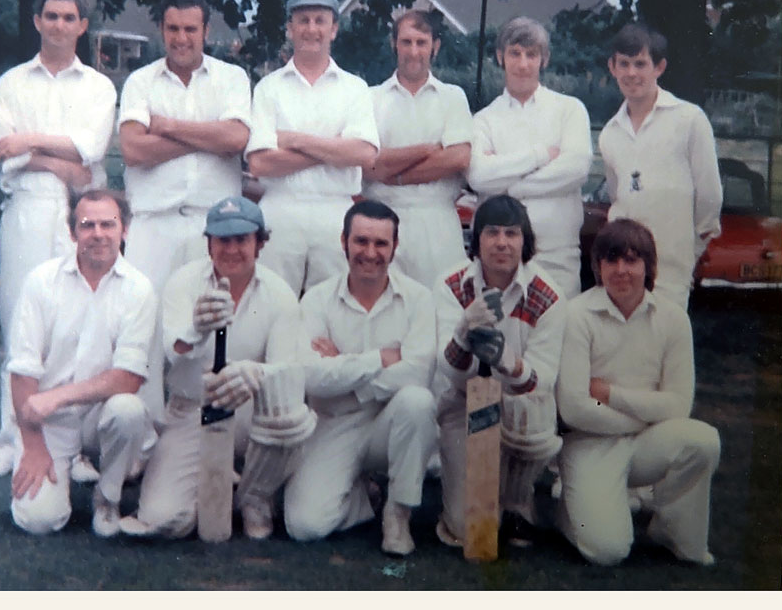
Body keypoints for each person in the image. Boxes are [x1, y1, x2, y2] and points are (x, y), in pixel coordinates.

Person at [0, 0, 118, 479]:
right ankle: (10, 442)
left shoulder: (98, 88)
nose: (59, 25)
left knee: (79, 325)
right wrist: (54, 159)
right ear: (36, 21)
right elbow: (1, 152)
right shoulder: (11, 84)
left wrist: (29, 144)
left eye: (69, 17)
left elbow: (91, 150)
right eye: (51, 16)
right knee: (20, 323)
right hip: (28, 212)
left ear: (82, 25)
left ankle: (73, 449)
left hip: (81, 214)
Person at [118, 196, 315, 540]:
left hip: (251, 412)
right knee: (167, 520)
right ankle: (213, 479)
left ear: (260, 243)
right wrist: (197, 327)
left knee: (291, 416)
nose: (232, 249)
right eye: (223, 240)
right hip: (193, 409)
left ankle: (255, 495)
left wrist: (255, 374)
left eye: (242, 240)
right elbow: (172, 352)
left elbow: (287, 372)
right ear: (209, 243)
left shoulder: (280, 294)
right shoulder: (183, 282)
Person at [556, 218, 720, 565]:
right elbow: (573, 409)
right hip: (590, 443)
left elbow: (679, 406)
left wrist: (609, 393)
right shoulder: (576, 315)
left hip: (649, 442)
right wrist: (646, 415)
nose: (621, 270)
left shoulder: (673, 319)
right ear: (598, 266)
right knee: (607, 551)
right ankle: (571, 514)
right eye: (611, 260)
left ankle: (673, 529)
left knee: (702, 440)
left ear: (648, 266)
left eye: (631, 260)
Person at [283, 200, 437, 556]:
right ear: (344, 241)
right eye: (361, 241)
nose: (370, 252)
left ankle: (397, 512)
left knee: (417, 401)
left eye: (381, 243)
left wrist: (344, 367)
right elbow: (310, 377)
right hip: (333, 423)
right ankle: (361, 498)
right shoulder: (317, 300)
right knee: (304, 526)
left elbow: (418, 372)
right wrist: (379, 359)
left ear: (395, 247)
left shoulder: (418, 298)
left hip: (390, 421)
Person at [7, 190, 157, 537]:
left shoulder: (139, 289)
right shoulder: (41, 282)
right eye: (87, 225)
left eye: (108, 224)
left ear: (125, 229)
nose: (99, 234)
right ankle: (58, 471)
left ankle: (108, 497)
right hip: (48, 422)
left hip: (98, 415)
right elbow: (23, 369)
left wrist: (58, 396)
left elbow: (129, 378)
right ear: (72, 232)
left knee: (128, 409)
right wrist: (33, 446)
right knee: (39, 520)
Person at [434, 194, 565, 548]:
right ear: (476, 240)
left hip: (520, 408)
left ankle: (517, 501)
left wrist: (509, 361)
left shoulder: (548, 294)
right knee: (470, 532)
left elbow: (544, 378)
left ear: (526, 241)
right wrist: (464, 332)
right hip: (465, 405)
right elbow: (448, 370)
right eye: (491, 232)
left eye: (512, 233)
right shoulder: (450, 284)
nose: (502, 242)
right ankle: (485, 503)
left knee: (533, 411)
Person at [246, 0, 380, 295]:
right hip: (280, 210)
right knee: (273, 302)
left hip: (336, 213)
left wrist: (293, 140)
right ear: (290, 29)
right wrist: (334, 149)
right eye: (303, 20)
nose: (311, 29)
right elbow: (260, 162)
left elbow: (364, 153)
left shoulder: (355, 88)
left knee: (334, 306)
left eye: (320, 21)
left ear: (333, 29)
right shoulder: (269, 88)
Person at [117, 0, 252, 290]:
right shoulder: (140, 82)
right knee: (148, 328)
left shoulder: (232, 78)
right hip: (153, 225)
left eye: (190, 29)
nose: (181, 38)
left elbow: (236, 138)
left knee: (210, 325)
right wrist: (208, 137)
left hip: (213, 226)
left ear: (206, 31)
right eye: (173, 28)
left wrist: (168, 126)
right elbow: (133, 150)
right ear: (162, 30)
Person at [598, 23, 723, 310]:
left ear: (659, 67)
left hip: (670, 273)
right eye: (624, 64)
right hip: (623, 275)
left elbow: (710, 198)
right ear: (612, 67)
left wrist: (687, 253)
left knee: (665, 350)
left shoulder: (689, 120)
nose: (631, 73)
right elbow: (619, 200)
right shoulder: (609, 134)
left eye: (641, 64)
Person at [466, 16, 591, 299]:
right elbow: (478, 176)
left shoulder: (569, 110)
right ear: (500, 57)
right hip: (499, 263)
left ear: (543, 59)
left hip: (557, 257)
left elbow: (576, 168)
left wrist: (511, 188)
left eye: (531, 54)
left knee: (559, 340)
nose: (523, 64)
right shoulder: (483, 119)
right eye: (515, 53)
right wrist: (541, 155)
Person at [363, 9, 474, 288]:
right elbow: (369, 164)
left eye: (421, 43)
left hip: (438, 222)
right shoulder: (370, 98)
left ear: (435, 47)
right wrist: (428, 150)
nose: (414, 51)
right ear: (394, 45)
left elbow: (458, 158)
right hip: (383, 221)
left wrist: (395, 174)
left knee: (443, 314)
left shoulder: (453, 97)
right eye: (406, 42)